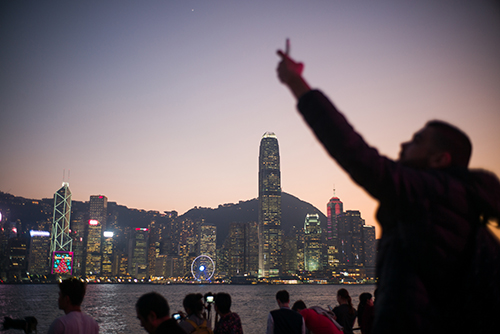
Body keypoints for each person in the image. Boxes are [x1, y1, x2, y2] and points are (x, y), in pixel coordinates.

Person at [276, 42, 500, 334]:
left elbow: (356, 153)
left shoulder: (434, 193)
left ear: (439, 159)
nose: (404, 144)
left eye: (417, 140)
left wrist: (295, 82)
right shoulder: (459, 213)